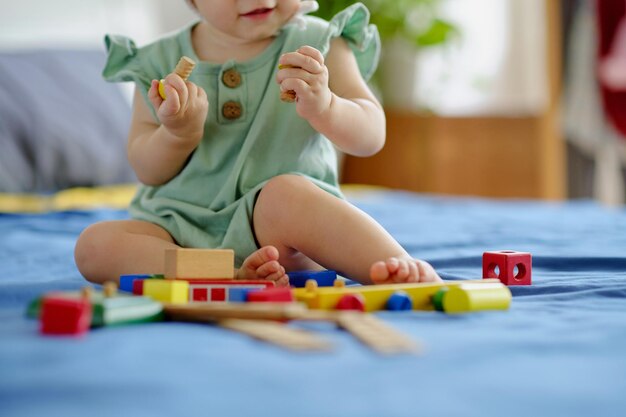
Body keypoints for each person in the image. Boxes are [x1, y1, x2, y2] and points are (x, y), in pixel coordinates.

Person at [74, 0, 441, 287]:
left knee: (287, 194)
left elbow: (371, 135)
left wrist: (327, 106)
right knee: (94, 246)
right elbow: (146, 170)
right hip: (175, 234)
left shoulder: (318, 44)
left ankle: (393, 267)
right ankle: (228, 276)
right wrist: (177, 134)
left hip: (273, 233)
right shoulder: (157, 63)